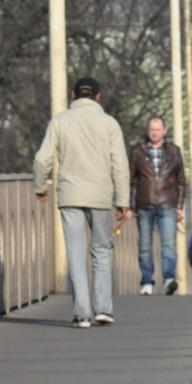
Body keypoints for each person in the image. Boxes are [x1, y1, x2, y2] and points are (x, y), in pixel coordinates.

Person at [33, 77, 131, 328]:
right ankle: (103, 309)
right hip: (100, 195)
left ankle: (82, 313)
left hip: (70, 196)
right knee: (100, 250)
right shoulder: (109, 124)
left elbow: (42, 159)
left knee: (75, 254)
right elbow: (119, 165)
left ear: (73, 94)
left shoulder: (59, 122)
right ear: (98, 96)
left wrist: (40, 186)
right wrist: (122, 200)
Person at [130, 116, 186, 296]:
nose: (154, 133)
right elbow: (130, 180)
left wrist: (179, 206)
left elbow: (181, 181)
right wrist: (130, 206)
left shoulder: (174, 151)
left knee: (168, 244)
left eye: (158, 129)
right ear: (148, 131)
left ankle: (169, 278)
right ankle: (147, 281)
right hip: (144, 204)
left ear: (164, 130)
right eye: (151, 129)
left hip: (167, 203)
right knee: (145, 245)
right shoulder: (138, 152)